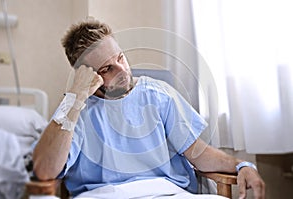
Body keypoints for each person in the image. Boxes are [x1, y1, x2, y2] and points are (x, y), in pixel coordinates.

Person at [33, 18, 265, 199]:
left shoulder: (158, 95)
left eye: (121, 58)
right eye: (107, 69)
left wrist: (242, 165)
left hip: (166, 192)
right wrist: (75, 99)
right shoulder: (73, 112)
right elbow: (45, 171)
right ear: (87, 74)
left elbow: (201, 156)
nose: (122, 71)